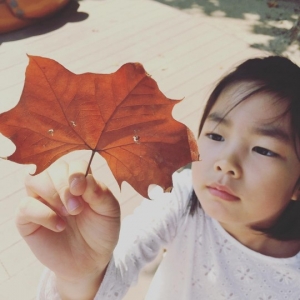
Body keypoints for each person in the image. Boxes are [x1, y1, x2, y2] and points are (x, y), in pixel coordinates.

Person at [16, 56, 300, 299]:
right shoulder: (180, 196)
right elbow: (120, 266)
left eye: (264, 149)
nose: (226, 164)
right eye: (216, 135)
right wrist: (81, 275)